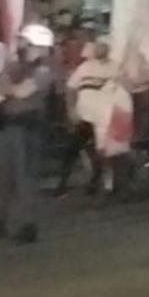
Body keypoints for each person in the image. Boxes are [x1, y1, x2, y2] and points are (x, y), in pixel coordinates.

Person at [0, 23, 58, 244]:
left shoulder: (44, 70)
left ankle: (27, 224)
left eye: (24, 40)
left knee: (25, 178)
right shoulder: (20, 66)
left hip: (28, 127)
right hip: (11, 125)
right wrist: (6, 86)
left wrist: (7, 88)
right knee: (4, 177)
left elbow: (19, 91)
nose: (20, 43)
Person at [64, 38, 121, 194]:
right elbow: (70, 88)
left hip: (104, 117)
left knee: (103, 151)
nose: (99, 50)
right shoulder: (85, 67)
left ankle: (104, 183)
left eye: (102, 47)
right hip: (84, 116)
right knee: (72, 149)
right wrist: (71, 109)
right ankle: (63, 184)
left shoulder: (115, 68)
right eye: (97, 47)